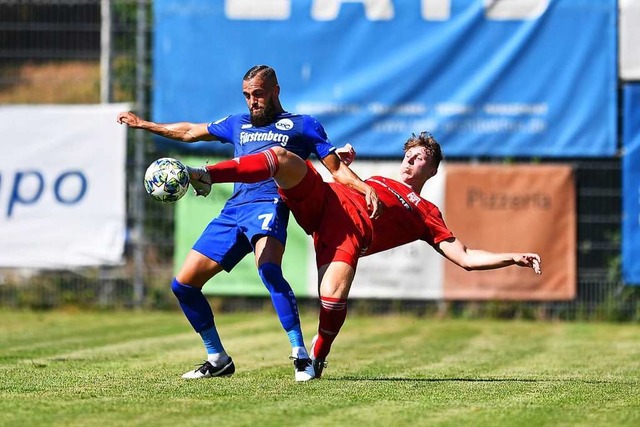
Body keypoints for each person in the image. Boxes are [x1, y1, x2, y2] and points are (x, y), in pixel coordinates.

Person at [185, 131, 542, 379]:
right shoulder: (379, 180)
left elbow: (464, 257)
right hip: (324, 200)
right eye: (408, 154)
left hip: (345, 239)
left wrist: (512, 256)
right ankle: (206, 175)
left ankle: (317, 358)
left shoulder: (427, 213)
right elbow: (341, 176)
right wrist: (340, 163)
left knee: (333, 299)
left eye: (419, 158)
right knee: (281, 158)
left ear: (431, 171)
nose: (410, 160)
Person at [117, 65, 380, 382]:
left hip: (270, 203)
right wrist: (143, 124)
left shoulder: (303, 126)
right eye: (247, 95)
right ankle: (217, 358)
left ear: (275, 91)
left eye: (258, 94)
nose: (252, 101)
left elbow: (336, 169)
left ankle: (301, 357)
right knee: (183, 285)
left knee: (268, 269)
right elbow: (189, 131)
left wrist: (365, 188)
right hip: (233, 211)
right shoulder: (236, 124)